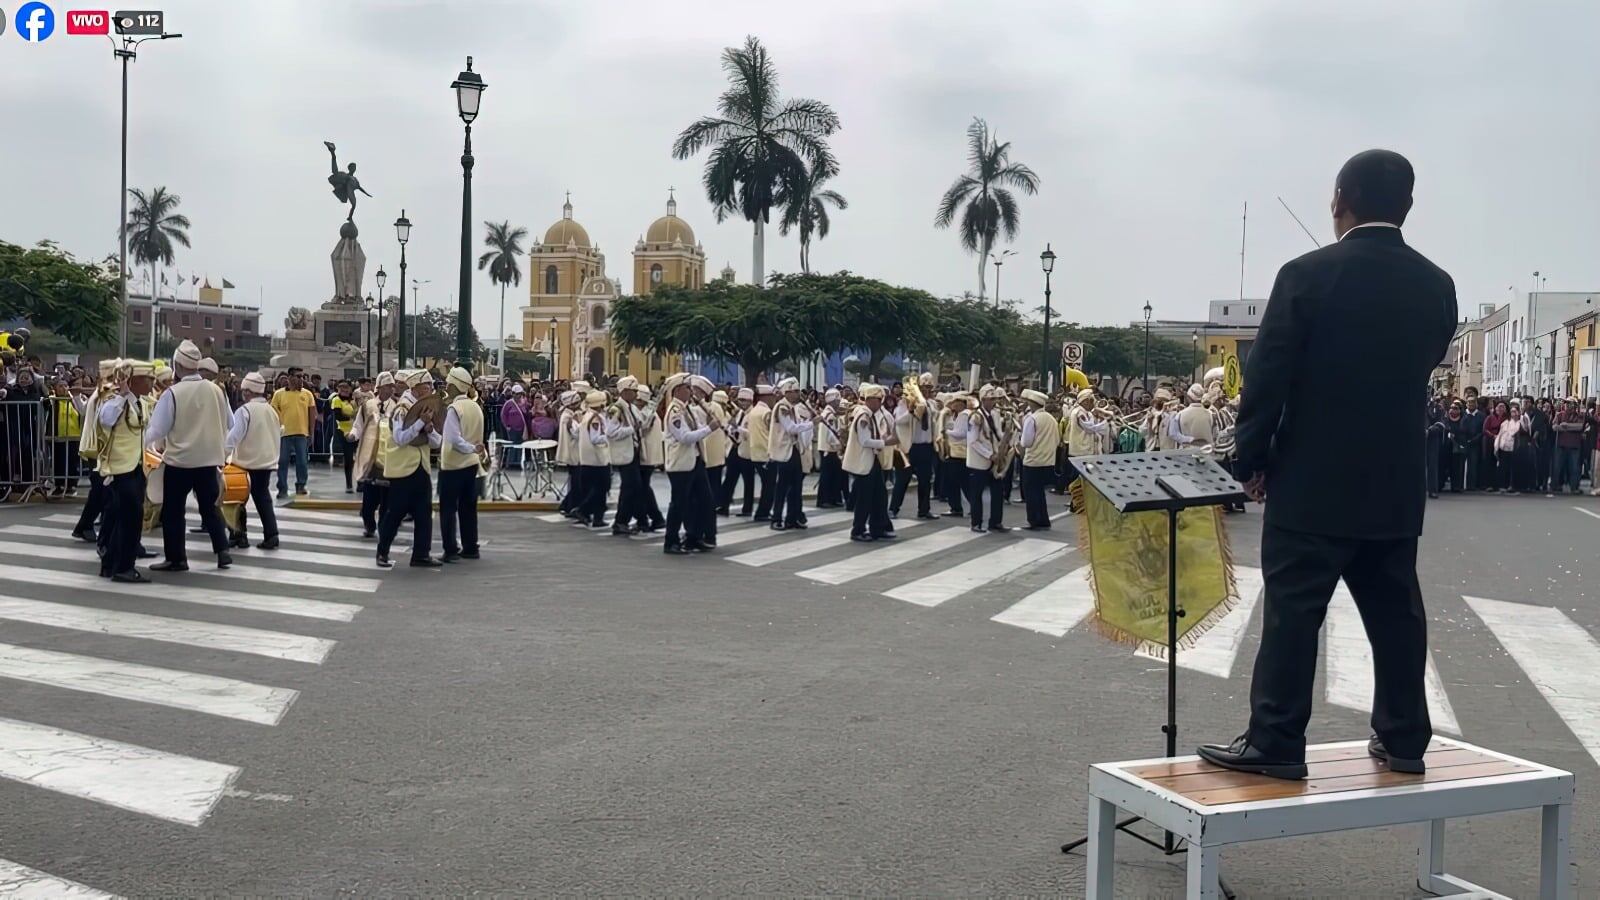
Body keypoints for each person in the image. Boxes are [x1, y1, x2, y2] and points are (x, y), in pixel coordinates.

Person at [1199, 149, 1457, 780]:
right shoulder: (1437, 285)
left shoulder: (1307, 274)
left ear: (1340, 200)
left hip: (1312, 482)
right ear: (1408, 206)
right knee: (1396, 613)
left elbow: (1268, 378)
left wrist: (1250, 459)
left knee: (1294, 613)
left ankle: (1277, 740)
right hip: (1394, 483)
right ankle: (1404, 738)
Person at [145, 340, 234, 572]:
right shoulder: (217, 391)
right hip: (209, 461)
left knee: (173, 511)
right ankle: (222, 550)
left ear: (177, 364)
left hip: (179, 462)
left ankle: (177, 558)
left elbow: (158, 429)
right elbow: (230, 423)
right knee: (210, 507)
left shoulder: (172, 393)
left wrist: (138, 444)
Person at [95, 360, 155, 583]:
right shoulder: (113, 401)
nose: (152, 382)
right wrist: (123, 395)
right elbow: (106, 419)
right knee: (130, 518)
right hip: (120, 469)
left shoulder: (141, 401)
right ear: (133, 380)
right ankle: (124, 567)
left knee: (124, 518)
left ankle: (111, 563)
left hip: (136, 467)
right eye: (148, 378)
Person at [376, 370, 443, 569]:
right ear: (416, 388)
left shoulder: (424, 409)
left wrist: (429, 429)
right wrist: (421, 423)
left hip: (421, 468)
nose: (431, 389)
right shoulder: (402, 409)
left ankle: (421, 554)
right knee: (395, 513)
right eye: (427, 386)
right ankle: (382, 551)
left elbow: (435, 443)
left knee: (424, 513)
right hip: (403, 470)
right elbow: (400, 438)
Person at [660, 373, 719, 555]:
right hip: (681, 464)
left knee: (704, 500)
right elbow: (684, 437)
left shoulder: (688, 409)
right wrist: (710, 428)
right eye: (687, 388)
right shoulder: (675, 412)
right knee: (679, 504)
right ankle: (671, 541)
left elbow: (698, 426)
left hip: (695, 461)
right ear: (678, 390)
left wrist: (708, 422)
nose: (690, 391)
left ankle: (694, 536)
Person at [224, 371, 282, 550]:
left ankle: (238, 535)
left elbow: (234, 436)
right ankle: (271, 535)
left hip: (244, 461)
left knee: (235, 499)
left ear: (248, 391)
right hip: (266, 461)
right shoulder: (271, 410)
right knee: (263, 497)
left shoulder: (245, 410)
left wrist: (223, 454)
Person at [438, 367, 486, 562]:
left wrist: (470, 448)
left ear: (455, 386)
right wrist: (474, 451)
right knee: (468, 508)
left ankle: (450, 549)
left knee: (448, 509)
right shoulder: (476, 406)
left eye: (449, 384)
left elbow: (452, 439)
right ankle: (470, 547)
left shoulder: (454, 409)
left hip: (453, 466)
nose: (446, 387)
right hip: (472, 465)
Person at [842, 383, 896, 542]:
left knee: (879, 496)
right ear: (870, 400)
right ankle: (857, 529)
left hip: (873, 460)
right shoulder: (864, 416)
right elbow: (865, 441)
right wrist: (885, 442)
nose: (880, 403)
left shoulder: (869, 415)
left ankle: (877, 527)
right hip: (864, 462)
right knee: (864, 499)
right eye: (878, 400)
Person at [350, 371, 395, 538]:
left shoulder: (396, 407)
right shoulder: (368, 405)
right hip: (370, 457)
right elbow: (358, 425)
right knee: (369, 498)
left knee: (387, 499)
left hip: (388, 458)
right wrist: (353, 435)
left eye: (392, 386)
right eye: (388, 386)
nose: (391, 389)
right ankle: (369, 525)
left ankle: (384, 528)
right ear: (380, 387)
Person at [890, 372, 940, 520]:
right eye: (923, 387)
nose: (927, 390)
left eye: (929, 388)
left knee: (925, 480)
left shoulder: (931, 403)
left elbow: (935, 419)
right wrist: (911, 411)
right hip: (909, 447)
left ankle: (924, 510)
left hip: (926, 446)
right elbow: (898, 421)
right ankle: (893, 508)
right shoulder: (905, 402)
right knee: (902, 479)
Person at [767, 378, 812, 531]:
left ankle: (793, 517)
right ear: (788, 392)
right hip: (784, 451)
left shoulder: (793, 408)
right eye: (796, 391)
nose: (798, 394)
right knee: (782, 487)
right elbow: (791, 428)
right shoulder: (782, 407)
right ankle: (776, 518)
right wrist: (813, 423)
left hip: (794, 450)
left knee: (796, 486)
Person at [964, 386, 1009, 534]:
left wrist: (1008, 438)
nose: (994, 402)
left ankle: (996, 521)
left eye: (995, 399)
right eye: (991, 399)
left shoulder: (995, 414)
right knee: (977, 494)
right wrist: (989, 454)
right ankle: (976, 523)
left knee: (998, 492)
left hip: (994, 459)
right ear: (983, 400)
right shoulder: (975, 417)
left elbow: (997, 433)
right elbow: (973, 441)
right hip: (979, 461)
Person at [607, 377, 644, 536]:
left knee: (632, 488)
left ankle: (625, 520)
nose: (636, 394)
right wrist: (630, 430)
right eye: (633, 391)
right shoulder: (616, 409)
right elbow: (611, 432)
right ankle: (621, 521)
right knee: (631, 488)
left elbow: (640, 422)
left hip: (634, 453)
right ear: (624, 391)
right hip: (624, 454)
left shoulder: (632, 408)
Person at [1017, 388, 1058, 530]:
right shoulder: (1051, 419)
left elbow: (1026, 442)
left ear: (1032, 403)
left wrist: (1019, 442)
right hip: (1048, 461)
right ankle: (1044, 519)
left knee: (1032, 492)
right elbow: (1057, 440)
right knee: (1040, 492)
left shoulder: (1032, 419)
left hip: (1033, 461)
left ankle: (1034, 520)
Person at [271, 370, 316, 498]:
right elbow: (273, 411)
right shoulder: (279, 394)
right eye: (298, 376)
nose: (301, 379)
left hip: (302, 433)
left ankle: (301, 485)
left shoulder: (307, 394)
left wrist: (311, 433)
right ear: (290, 377)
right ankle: (282, 488)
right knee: (283, 461)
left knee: (302, 461)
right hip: (284, 433)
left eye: (303, 376)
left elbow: (312, 414)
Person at [575, 390, 612, 529]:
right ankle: (584, 511)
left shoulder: (587, 416)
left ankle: (597, 517)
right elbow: (596, 438)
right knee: (602, 488)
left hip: (588, 459)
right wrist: (609, 437)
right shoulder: (595, 418)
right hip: (598, 459)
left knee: (594, 490)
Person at [632, 386, 667, 533]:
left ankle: (650, 519)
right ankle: (653, 518)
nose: (636, 402)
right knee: (643, 489)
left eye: (638, 399)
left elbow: (641, 430)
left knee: (642, 489)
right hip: (645, 456)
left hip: (645, 457)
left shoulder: (649, 414)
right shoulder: (646, 412)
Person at [718, 387, 754, 515]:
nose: (742, 403)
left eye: (744, 400)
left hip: (746, 450)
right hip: (734, 448)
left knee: (748, 481)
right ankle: (723, 505)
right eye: (740, 400)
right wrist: (730, 428)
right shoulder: (739, 413)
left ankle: (747, 508)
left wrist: (736, 427)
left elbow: (751, 434)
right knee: (729, 479)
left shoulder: (753, 415)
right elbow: (732, 427)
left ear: (750, 401)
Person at [745, 384, 775, 520]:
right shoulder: (766, 412)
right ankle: (763, 512)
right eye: (772, 396)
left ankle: (762, 511)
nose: (773, 399)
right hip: (766, 454)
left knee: (766, 485)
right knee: (770, 486)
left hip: (755, 452)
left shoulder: (753, 411)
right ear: (766, 396)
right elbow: (772, 433)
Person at [814, 389, 848, 508]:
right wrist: (839, 445)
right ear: (833, 401)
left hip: (830, 448)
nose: (839, 403)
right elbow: (830, 435)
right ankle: (824, 500)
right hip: (828, 449)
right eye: (837, 400)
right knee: (827, 475)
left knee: (834, 475)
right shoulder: (829, 415)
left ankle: (833, 498)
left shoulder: (829, 413)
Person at [938, 392, 968, 517]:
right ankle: (955, 507)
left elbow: (961, 433)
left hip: (960, 453)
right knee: (953, 482)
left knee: (963, 483)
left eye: (954, 402)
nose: (952, 405)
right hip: (953, 452)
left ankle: (966, 507)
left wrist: (947, 432)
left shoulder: (963, 415)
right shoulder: (955, 415)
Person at [329, 380, 359, 493]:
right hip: (343, 430)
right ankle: (349, 484)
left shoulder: (352, 401)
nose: (345, 391)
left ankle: (360, 483)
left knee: (359, 456)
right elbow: (338, 416)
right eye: (342, 389)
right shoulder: (336, 400)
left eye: (347, 389)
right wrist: (351, 417)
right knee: (348, 457)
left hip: (355, 429)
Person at [1495, 401, 1529, 494]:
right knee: (1503, 467)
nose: (1514, 413)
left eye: (1515, 411)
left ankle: (1513, 486)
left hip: (1517, 448)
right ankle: (1503, 486)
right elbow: (1500, 435)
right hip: (1505, 447)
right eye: (1512, 411)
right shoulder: (1505, 423)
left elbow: (1526, 430)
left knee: (1514, 468)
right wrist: (1497, 447)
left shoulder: (1522, 421)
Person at [1439, 399, 1469, 494]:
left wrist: (1456, 433)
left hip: (1457, 445)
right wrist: (1448, 431)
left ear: (1460, 410)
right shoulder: (1445, 418)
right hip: (1446, 446)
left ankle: (1456, 486)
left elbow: (1466, 430)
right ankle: (1440, 485)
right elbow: (1443, 427)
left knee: (1457, 467)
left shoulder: (1464, 419)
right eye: (1451, 408)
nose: (1453, 410)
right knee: (1443, 466)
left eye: (1455, 408)